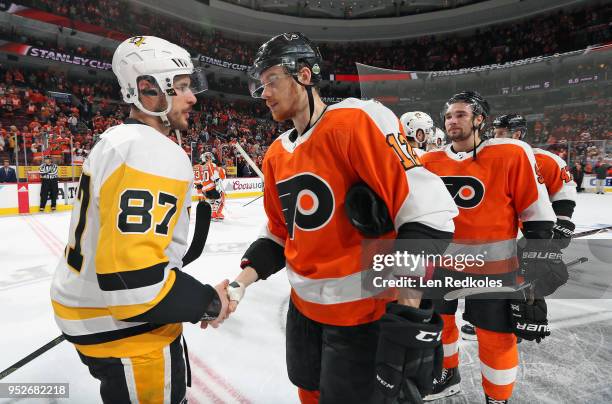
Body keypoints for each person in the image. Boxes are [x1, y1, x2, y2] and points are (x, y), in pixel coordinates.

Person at [226, 32, 459, 404]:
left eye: (271, 80)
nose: (264, 93)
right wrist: (239, 284)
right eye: (260, 84)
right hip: (303, 312)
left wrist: (407, 309)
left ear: (304, 75)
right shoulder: (274, 154)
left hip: (362, 316)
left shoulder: (357, 119)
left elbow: (427, 214)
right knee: (308, 390)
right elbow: (277, 234)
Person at [50, 36, 230, 404]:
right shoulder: (152, 150)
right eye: (180, 86)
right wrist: (208, 302)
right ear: (148, 91)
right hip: (125, 332)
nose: (192, 96)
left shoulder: (117, 139)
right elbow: (133, 286)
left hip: (86, 312)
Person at [419, 92, 565, 403]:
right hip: (441, 263)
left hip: (493, 266)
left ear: (479, 120)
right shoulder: (428, 161)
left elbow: (536, 214)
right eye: (448, 116)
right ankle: (448, 375)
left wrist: (535, 270)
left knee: (495, 335)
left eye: (460, 114)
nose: (452, 121)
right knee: (438, 324)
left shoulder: (511, 153)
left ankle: (497, 399)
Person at [460, 113, 578, 341]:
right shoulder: (488, 157)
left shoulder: (546, 160)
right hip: (498, 232)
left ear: (517, 134)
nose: (495, 137)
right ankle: (485, 322)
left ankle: (523, 320)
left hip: (530, 232)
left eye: (501, 133)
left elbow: (563, 193)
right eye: (494, 132)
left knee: (526, 278)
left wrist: (563, 223)